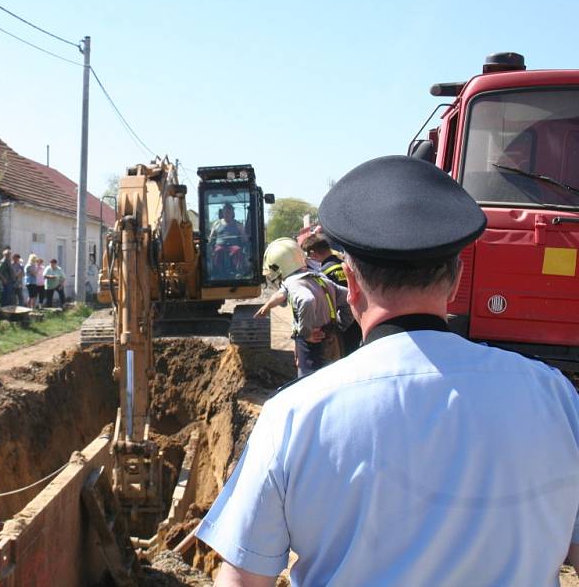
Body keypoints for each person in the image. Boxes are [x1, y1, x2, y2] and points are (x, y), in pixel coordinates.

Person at [198, 156, 579, 586]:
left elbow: (243, 580)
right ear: (455, 280)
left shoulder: (292, 417)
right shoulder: (557, 400)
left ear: (354, 285)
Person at [255, 237, 348, 377]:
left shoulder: (293, 282)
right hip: (333, 340)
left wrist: (306, 333)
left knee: (309, 387)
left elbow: (307, 300)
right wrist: (342, 324)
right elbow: (348, 298)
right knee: (334, 381)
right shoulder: (319, 277)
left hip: (313, 347)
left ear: (279, 267)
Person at [307, 236, 362, 355]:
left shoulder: (323, 275)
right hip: (358, 319)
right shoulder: (345, 266)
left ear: (313, 254)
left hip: (341, 325)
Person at [209, 203, 248, 277]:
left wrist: (245, 243)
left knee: (237, 250)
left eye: (229, 212)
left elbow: (244, 238)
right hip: (220, 246)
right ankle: (218, 271)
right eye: (226, 212)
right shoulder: (216, 224)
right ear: (223, 212)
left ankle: (237, 271)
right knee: (218, 251)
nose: (227, 214)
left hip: (233, 246)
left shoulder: (238, 224)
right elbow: (211, 238)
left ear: (233, 213)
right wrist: (210, 244)